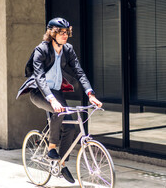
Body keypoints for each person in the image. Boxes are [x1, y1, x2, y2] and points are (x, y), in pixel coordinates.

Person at [16, 17, 102, 184]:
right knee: (58, 109)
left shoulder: (68, 49)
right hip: (39, 92)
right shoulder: (42, 50)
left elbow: (79, 72)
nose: (65, 36)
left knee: (70, 127)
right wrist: (52, 100)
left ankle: (60, 163)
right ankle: (52, 148)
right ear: (52, 34)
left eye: (66, 33)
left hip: (56, 92)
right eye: (61, 33)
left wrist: (90, 93)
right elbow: (39, 78)